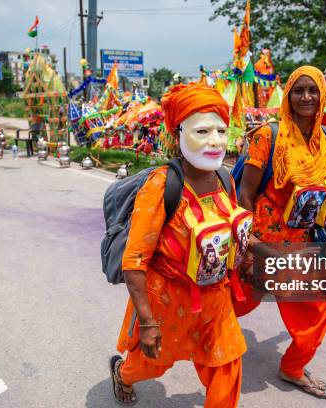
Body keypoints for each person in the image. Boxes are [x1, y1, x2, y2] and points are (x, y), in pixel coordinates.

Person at [110, 82, 247, 407]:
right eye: (202, 131)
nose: (215, 141)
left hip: (216, 304)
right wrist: (147, 322)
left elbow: (228, 233)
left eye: (221, 131)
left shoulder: (226, 179)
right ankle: (123, 375)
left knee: (227, 368)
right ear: (177, 134)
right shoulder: (162, 187)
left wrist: (261, 252)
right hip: (166, 305)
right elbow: (135, 261)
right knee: (147, 366)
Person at [237, 66, 326, 399]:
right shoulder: (269, 135)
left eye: (312, 90)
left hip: (302, 243)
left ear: (322, 95)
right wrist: (247, 245)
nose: (305, 97)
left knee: (317, 306)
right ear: (289, 95)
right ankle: (172, 329)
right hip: (263, 241)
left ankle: (292, 367)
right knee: (230, 302)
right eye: (298, 90)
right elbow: (245, 193)